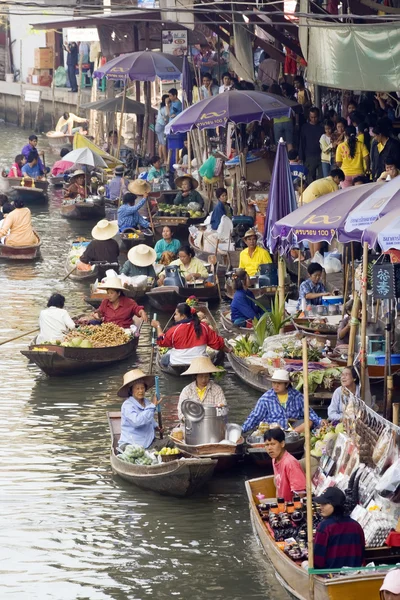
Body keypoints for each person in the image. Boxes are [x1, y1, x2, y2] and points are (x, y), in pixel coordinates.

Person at [242, 369, 322, 434]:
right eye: (274, 383)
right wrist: (242, 430)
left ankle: (292, 435)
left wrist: (320, 421)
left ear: (286, 384)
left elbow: (309, 413)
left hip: (293, 430)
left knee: (309, 422)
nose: (275, 386)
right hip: (273, 432)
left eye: (279, 383)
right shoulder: (266, 398)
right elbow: (255, 416)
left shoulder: (297, 396)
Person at [151, 302, 229, 366]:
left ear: (183, 316)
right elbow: (217, 343)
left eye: (176, 314)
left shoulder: (174, 329)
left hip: (178, 363)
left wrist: (158, 326)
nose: (174, 317)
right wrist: (228, 350)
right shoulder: (203, 326)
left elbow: (161, 341)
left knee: (164, 359)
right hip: (200, 362)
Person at [313, 487, 365, 570]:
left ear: (335, 504)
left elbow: (317, 561)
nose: (321, 507)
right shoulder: (356, 526)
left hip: (330, 577)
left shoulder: (324, 527)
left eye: (325, 503)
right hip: (354, 576)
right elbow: (362, 556)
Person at [117, 369, 162, 450]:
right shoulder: (127, 405)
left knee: (170, 443)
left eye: (142, 388)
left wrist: (156, 427)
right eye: (137, 389)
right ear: (131, 391)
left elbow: (149, 419)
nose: (141, 391)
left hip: (148, 442)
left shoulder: (147, 402)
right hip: (131, 443)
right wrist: (152, 406)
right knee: (137, 453)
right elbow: (137, 422)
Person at [177, 356, 227, 420]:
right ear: (195, 376)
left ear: (209, 375)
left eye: (206, 376)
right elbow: (181, 412)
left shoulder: (217, 389)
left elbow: (223, 410)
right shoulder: (187, 390)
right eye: (201, 376)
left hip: (211, 423)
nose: (204, 380)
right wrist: (188, 419)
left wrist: (219, 407)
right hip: (192, 425)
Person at [265, 428, 306, 502]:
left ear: (282, 444)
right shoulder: (274, 459)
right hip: (282, 505)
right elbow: (278, 486)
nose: (269, 448)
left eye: (273, 444)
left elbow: (300, 493)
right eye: (267, 445)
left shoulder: (290, 463)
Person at [299, 107, 325, 182]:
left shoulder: (322, 127)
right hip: (309, 156)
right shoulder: (305, 127)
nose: (313, 119)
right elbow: (302, 142)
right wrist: (301, 156)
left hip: (321, 155)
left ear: (318, 116)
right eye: (312, 117)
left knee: (322, 179)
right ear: (309, 117)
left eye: (315, 117)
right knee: (309, 179)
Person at [269, 83, 294, 150]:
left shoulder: (271, 101)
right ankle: (291, 159)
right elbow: (290, 110)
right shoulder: (284, 98)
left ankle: (281, 160)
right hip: (288, 121)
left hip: (277, 122)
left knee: (280, 145)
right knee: (289, 143)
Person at [155, 94, 170, 164]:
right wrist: (167, 105)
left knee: (161, 143)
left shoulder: (160, 107)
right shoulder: (164, 108)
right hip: (161, 126)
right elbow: (168, 114)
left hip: (157, 126)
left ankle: (160, 159)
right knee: (163, 143)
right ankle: (165, 160)